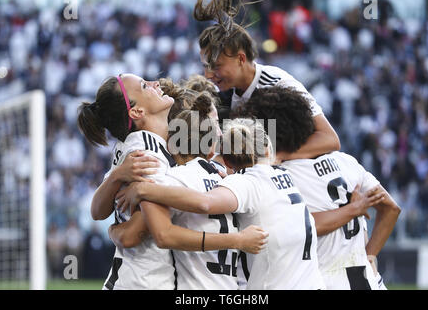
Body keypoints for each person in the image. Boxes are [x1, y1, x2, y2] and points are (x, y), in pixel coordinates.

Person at [116, 118, 382, 290]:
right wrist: (352, 211)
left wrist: (146, 188)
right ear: (267, 149)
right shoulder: (286, 177)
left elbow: (206, 204)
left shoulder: (247, 184)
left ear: (229, 160)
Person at [77, 74, 266, 290]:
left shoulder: (132, 145)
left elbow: (98, 213)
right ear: (137, 111)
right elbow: (135, 235)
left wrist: (114, 223)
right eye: (144, 85)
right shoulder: (148, 154)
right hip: (145, 283)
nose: (154, 83)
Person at [237, 86, 401, 290]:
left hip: (322, 279)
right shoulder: (346, 161)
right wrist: (370, 254)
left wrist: (350, 211)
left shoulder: (280, 175)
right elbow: (391, 208)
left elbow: (304, 224)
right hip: (367, 280)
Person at [193, 0, 340, 159]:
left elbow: (330, 139)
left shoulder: (280, 84)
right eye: (205, 66)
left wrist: (273, 158)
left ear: (240, 59)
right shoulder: (223, 93)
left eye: (216, 66)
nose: (208, 75)